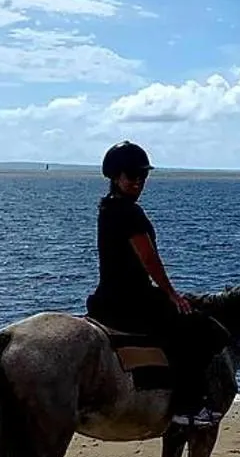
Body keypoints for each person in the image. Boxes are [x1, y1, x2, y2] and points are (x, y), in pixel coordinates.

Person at [86, 141, 231, 419]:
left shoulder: (108, 207)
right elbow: (149, 260)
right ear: (116, 177)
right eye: (132, 176)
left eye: (143, 176)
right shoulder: (130, 212)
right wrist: (171, 294)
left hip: (106, 299)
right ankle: (187, 406)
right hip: (132, 299)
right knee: (200, 331)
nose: (138, 182)